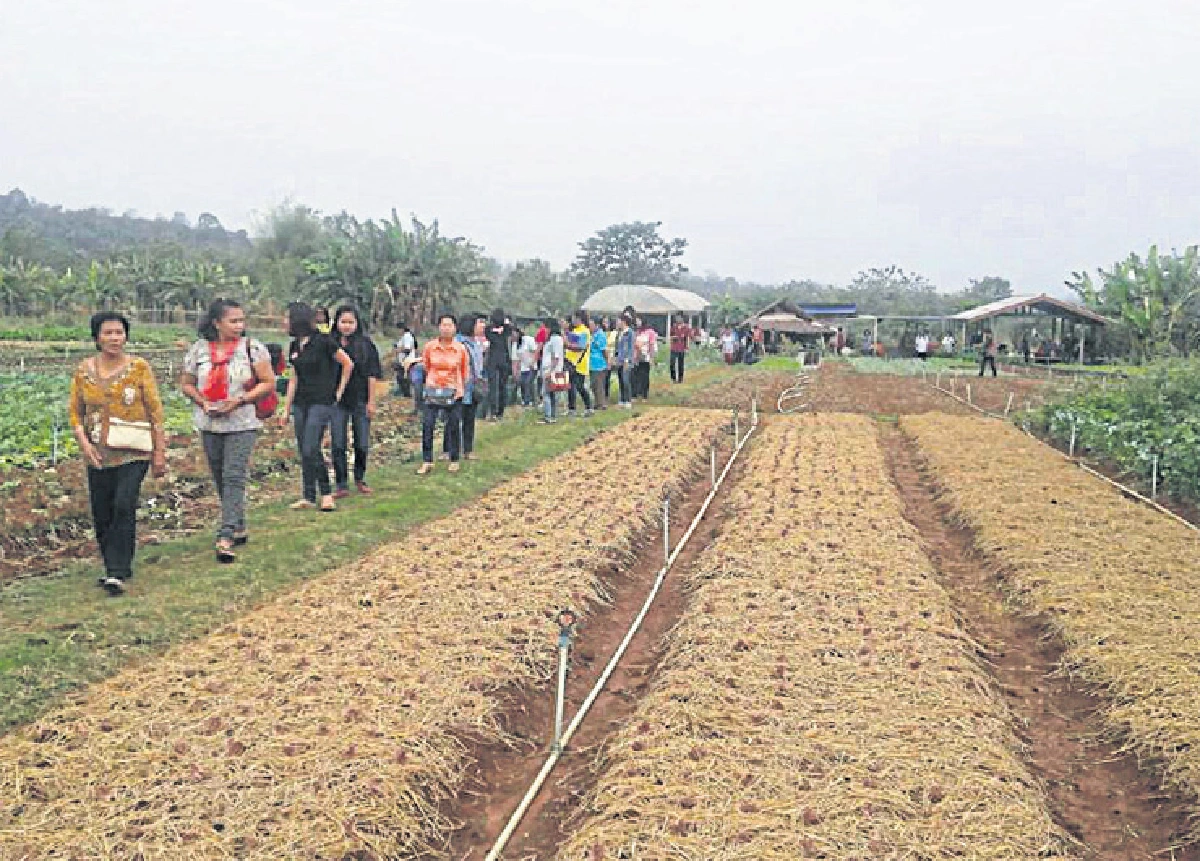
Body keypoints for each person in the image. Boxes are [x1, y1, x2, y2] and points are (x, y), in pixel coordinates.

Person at [69, 312, 167, 594]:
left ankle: (118, 570)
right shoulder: (84, 371)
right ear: (97, 337)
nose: (114, 338)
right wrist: (84, 445)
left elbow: (155, 410)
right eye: (108, 333)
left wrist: (159, 452)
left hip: (133, 452)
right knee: (102, 511)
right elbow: (75, 413)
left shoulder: (139, 368)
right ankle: (111, 563)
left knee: (124, 504)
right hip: (98, 453)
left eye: (119, 332)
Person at [181, 298, 275, 563]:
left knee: (234, 474)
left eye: (241, 320)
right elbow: (186, 383)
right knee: (220, 475)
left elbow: (268, 382)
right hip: (210, 422)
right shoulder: (199, 350)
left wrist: (240, 400)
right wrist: (202, 402)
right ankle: (239, 523)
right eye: (233, 321)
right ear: (216, 323)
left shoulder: (252, 348)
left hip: (242, 421)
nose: (239, 325)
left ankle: (226, 533)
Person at [279, 302, 354, 512]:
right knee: (304, 450)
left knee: (312, 447)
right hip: (301, 402)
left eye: (287, 318)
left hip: (321, 402)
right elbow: (294, 378)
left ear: (297, 320)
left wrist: (337, 393)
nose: (284, 322)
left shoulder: (324, 342)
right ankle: (308, 495)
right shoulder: (294, 346)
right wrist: (286, 409)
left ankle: (326, 493)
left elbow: (347, 364)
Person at [330, 305, 382, 498]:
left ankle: (360, 478)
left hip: (360, 399)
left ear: (357, 324)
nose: (347, 326)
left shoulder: (366, 345)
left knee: (361, 442)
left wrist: (371, 401)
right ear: (336, 323)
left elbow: (372, 374)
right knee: (338, 443)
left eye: (351, 322)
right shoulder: (330, 343)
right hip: (336, 401)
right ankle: (341, 484)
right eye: (343, 321)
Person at [419, 313, 469, 474]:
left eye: (449, 325)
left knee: (454, 425)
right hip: (433, 390)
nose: (446, 328)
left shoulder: (460, 349)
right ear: (438, 327)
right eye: (443, 325)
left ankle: (454, 459)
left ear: (455, 328)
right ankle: (427, 460)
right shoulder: (430, 347)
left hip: (454, 390)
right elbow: (426, 366)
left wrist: (458, 387)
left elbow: (464, 371)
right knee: (428, 425)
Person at [448, 315, 483, 459]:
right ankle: (449, 450)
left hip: (472, 387)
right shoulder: (457, 343)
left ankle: (468, 449)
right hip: (458, 387)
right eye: (478, 324)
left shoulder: (475, 343)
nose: (481, 327)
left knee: (469, 419)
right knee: (454, 420)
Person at [484, 308, 511, 421]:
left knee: (492, 386)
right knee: (502, 386)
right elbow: (509, 328)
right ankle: (500, 412)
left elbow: (489, 335)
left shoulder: (488, 330)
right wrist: (504, 325)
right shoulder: (506, 330)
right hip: (504, 359)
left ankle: (493, 412)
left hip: (493, 359)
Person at [564, 310, 593, 416]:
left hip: (579, 363)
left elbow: (581, 347)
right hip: (570, 362)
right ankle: (572, 409)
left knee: (580, 386)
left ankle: (589, 407)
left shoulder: (584, 331)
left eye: (574, 318)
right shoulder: (574, 330)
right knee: (570, 386)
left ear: (579, 319)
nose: (572, 321)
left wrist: (567, 344)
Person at [539, 318, 566, 424]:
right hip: (552, 369)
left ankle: (548, 416)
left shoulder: (555, 339)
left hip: (552, 369)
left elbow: (556, 357)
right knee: (552, 394)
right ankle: (552, 416)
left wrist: (550, 371)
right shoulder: (553, 339)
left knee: (546, 393)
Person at [613, 314, 635, 409]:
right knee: (621, 380)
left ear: (623, 321)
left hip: (626, 360)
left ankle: (628, 400)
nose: (617, 323)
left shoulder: (630, 333)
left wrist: (627, 359)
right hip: (620, 359)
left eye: (618, 321)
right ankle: (622, 400)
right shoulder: (619, 333)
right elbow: (617, 347)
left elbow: (630, 347)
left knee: (626, 380)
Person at [633, 318, 657, 400]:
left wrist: (651, 357)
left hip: (646, 356)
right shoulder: (636, 332)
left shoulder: (650, 332)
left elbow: (652, 345)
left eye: (638, 321)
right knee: (636, 375)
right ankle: (636, 393)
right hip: (637, 357)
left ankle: (644, 394)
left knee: (645, 376)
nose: (637, 323)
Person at [588, 316, 609, 410]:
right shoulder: (591, 334)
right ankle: (597, 402)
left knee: (599, 384)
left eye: (591, 325)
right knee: (593, 384)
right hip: (592, 363)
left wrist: (607, 362)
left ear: (597, 325)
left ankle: (602, 403)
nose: (590, 327)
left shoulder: (600, 335)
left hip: (599, 363)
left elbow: (604, 350)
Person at [516, 326, 538, 407]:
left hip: (531, 366)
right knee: (522, 383)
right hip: (523, 367)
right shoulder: (516, 344)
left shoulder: (528, 339)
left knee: (528, 383)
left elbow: (535, 351)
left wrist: (532, 362)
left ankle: (529, 402)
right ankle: (525, 400)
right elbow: (517, 358)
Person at [392, 324, 416, 397]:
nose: (397, 332)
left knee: (404, 377)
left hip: (406, 360)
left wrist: (399, 350)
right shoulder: (404, 337)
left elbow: (407, 349)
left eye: (397, 330)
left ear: (402, 329)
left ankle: (407, 393)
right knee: (401, 377)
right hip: (403, 360)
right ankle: (404, 392)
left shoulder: (407, 336)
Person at [669, 315, 691, 383]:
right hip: (674, 347)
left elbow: (687, 338)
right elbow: (671, 336)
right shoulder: (673, 327)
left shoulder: (686, 328)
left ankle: (680, 379)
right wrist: (674, 337)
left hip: (681, 348)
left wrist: (687, 347)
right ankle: (673, 378)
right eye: (677, 318)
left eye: (679, 318)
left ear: (682, 319)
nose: (677, 319)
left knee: (680, 364)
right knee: (672, 363)